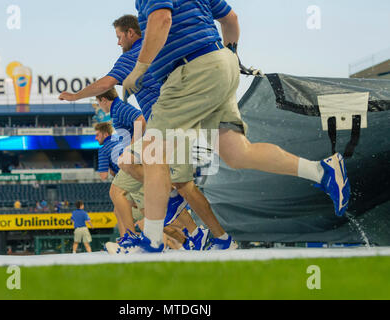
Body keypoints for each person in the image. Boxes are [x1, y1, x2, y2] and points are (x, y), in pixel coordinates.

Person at [118, 0, 351, 253]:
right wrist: (232, 54)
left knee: (153, 152)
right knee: (238, 152)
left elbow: (162, 19)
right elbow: (231, 20)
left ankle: (151, 241)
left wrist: (138, 69)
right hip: (220, 64)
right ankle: (322, 171)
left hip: (189, 70)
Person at [60, 14, 237, 252]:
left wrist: (74, 96)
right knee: (135, 181)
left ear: (131, 33)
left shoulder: (134, 57)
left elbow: (106, 84)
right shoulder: (156, 50)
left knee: (177, 184)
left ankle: (207, 234)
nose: (118, 42)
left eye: (119, 36)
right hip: (169, 123)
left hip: (169, 123)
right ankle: (191, 231)